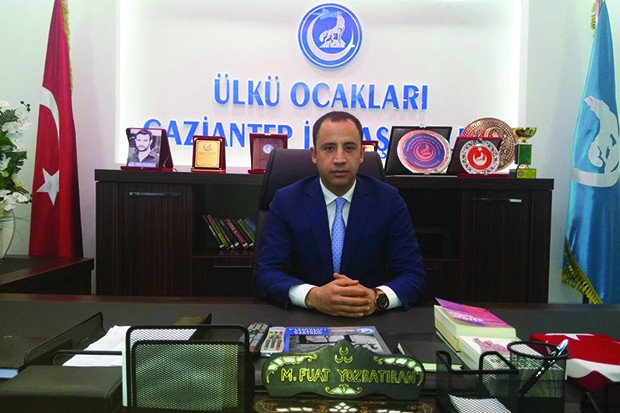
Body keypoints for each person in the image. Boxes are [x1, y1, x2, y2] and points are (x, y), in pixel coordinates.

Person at [254, 111, 427, 317]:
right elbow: (266, 274)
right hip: (305, 317)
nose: (339, 159)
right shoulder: (286, 201)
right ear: (314, 155)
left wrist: (376, 298)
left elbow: (414, 275)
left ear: (361, 154)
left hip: (368, 318)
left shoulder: (388, 200)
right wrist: (313, 296)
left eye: (349, 148)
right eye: (329, 148)